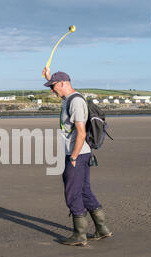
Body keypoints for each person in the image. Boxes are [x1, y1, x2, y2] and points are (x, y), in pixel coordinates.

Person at [42, 67, 112, 246]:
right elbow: (60, 89)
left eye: (53, 86)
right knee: (84, 191)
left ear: (64, 83)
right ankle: (102, 229)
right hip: (80, 154)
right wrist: (49, 77)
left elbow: (81, 133)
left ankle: (79, 234)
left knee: (72, 193)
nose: (51, 90)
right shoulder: (68, 99)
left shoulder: (76, 102)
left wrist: (73, 157)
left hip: (77, 155)